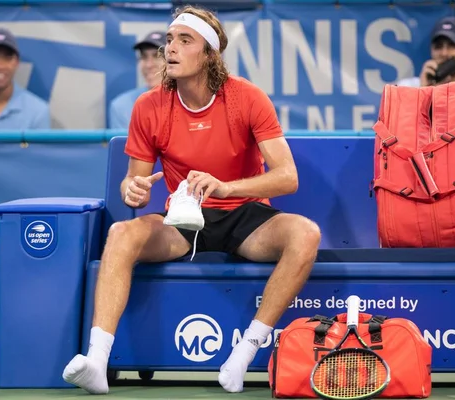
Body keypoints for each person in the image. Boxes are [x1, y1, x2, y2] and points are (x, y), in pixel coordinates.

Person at [62, 4, 321, 395]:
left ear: (210, 54)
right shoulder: (148, 106)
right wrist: (131, 189)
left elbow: (288, 178)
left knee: (306, 234)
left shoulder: (247, 97)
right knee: (120, 233)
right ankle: (97, 362)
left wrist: (227, 187)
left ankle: (245, 353)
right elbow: (133, 180)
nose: (171, 49)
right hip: (184, 220)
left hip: (244, 217)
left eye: (185, 41)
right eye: (169, 40)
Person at [109, 31, 167, 129]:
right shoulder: (122, 105)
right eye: (144, 57)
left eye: (157, 56)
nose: (149, 65)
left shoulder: (189, 102)